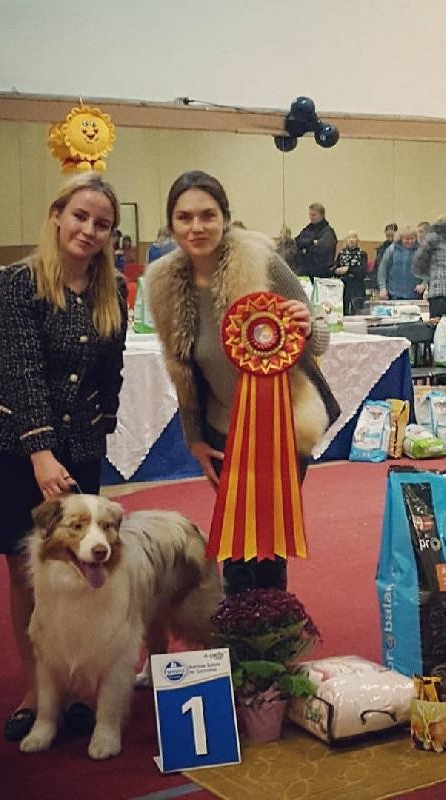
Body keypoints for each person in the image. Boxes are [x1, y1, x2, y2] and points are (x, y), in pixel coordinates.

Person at [0, 172, 127, 743]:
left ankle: (78, 687)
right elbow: (22, 370)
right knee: (28, 576)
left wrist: (101, 427)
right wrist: (39, 451)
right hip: (17, 445)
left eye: (102, 224)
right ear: (58, 214)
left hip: (79, 448)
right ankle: (37, 692)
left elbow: (111, 371)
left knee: (85, 574)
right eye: (80, 216)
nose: (89, 230)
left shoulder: (113, 289)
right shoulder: (20, 282)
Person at [145, 171, 340, 595]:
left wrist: (309, 327)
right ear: (171, 224)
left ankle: (272, 624)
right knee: (236, 543)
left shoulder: (262, 262)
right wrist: (195, 438)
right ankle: (238, 624)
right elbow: (181, 370)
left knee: (268, 546)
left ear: (225, 218)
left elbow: (318, 334)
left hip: (284, 424)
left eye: (207, 215)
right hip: (221, 431)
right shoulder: (162, 283)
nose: (196, 227)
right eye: (184, 217)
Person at [377, 224, 423, 301]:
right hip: (393, 295)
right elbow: (382, 270)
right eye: (407, 239)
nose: (410, 241)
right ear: (400, 238)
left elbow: (427, 270)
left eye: (412, 238)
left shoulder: (420, 251)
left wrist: (423, 284)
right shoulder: (391, 250)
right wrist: (382, 288)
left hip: (415, 295)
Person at [294, 202, 337, 279]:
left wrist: (305, 249)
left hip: (321, 272)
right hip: (304, 270)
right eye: (310, 214)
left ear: (322, 215)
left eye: (314, 215)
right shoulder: (308, 229)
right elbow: (297, 242)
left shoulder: (328, 232)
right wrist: (311, 242)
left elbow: (322, 249)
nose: (311, 217)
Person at [333, 230, 367, 314]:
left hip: (357, 288)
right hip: (343, 288)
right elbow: (336, 269)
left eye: (354, 237)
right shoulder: (341, 254)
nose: (351, 240)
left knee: (357, 312)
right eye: (349, 238)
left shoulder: (362, 254)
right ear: (345, 240)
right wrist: (337, 270)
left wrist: (348, 269)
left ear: (357, 240)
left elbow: (362, 271)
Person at [367, 223, 397, 292]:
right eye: (388, 235)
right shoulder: (381, 249)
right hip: (381, 280)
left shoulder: (399, 248)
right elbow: (377, 266)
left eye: (392, 235)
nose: (390, 237)